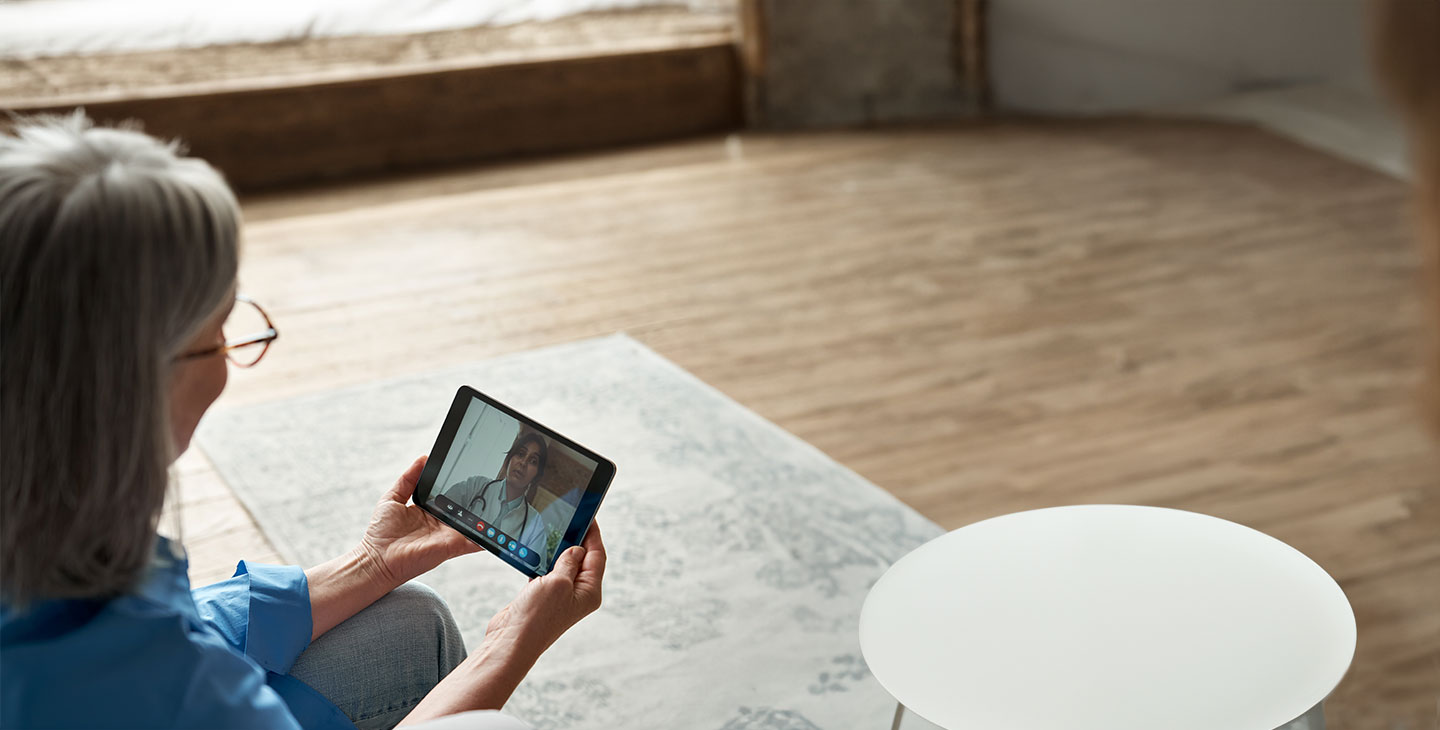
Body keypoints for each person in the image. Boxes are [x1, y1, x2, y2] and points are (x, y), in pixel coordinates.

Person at [0, 114, 605, 730]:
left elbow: (188, 623)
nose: (231, 356)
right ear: (130, 382)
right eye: (220, 334)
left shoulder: (54, 546)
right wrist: (516, 642)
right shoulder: (136, 673)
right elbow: (162, 660)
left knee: (414, 620)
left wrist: (375, 562)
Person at [443, 433, 554, 562]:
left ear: (536, 475)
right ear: (509, 458)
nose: (523, 463)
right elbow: (437, 511)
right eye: (521, 454)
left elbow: (534, 569)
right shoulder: (476, 485)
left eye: (533, 461)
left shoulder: (535, 523)